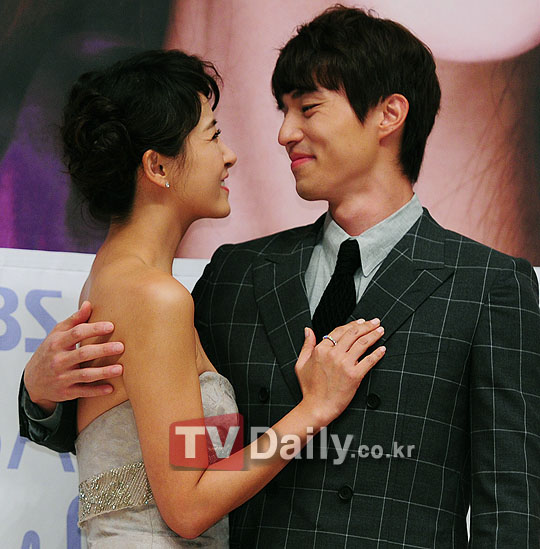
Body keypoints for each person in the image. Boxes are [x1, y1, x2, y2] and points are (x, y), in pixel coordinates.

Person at [19, 6, 540, 548]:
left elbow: (512, 506)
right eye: (283, 111)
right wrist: (40, 396)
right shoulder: (237, 274)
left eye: (307, 108)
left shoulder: (489, 286)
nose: (284, 133)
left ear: (389, 114)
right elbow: (157, 434)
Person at [18, 48, 386, 546]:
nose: (229, 155)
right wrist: (313, 410)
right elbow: (187, 507)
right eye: (212, 136)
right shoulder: (155, 297)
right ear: (158, 166)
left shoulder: (115, 279)